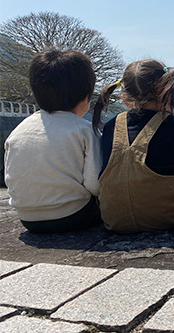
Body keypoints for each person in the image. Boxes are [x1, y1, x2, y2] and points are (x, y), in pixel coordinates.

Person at [93, 59, 174, 234]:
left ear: (126, 97)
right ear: (167, 90)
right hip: (168, 217)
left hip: (114, 220)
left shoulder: (110, 126)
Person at [4, 49, 102, 233]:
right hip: (72, 215)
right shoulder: (84, 129)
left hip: (27, 219)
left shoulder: (18, 131)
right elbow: (95, 185)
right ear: (85, 96)